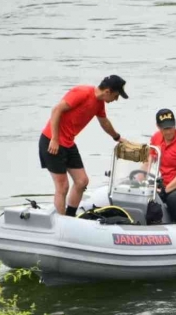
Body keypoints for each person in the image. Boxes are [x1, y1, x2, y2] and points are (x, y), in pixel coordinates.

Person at [39, 75, 130, 217]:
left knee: (82, 181)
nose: (116, 99)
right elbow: (56, 110)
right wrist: (55, 139)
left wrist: (117, 137)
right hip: (51, 141)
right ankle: (60, 223)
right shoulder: (82, 92)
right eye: (116, 95)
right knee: (62, 187)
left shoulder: (99, 103)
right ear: (108, 91)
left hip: (68, 143)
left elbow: (104, 122)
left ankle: (70, 217)